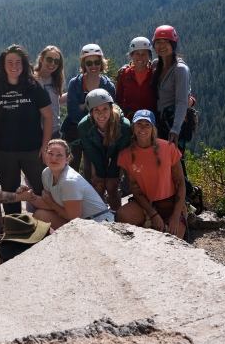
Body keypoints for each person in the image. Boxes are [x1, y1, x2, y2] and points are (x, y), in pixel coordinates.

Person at [0, 44, 53, 214]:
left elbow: (48, 116)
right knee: (9, 191)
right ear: (2, 64)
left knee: (43, 188)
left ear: (25, 64)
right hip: (3, 150)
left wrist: (45, 145)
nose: (14, 66)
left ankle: (52, 222)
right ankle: (15, 225)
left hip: (33, 149)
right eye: (10, 62)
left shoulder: (34, 86)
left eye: (18, 62)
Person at [115, 110, 187, 239]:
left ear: (153, 128)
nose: (143, 128)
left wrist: (175, 217)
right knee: (122, 216)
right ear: (133, 127)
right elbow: (135, 189)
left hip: (170, 203)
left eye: (147, 125)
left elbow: (180, 183)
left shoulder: (169, 148)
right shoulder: (125, 156)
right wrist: (153, 214)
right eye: (139, 124)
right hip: (146, 203)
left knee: (173, 237)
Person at [30, 139, 113, 229]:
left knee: (42, 218)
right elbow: (47, 202)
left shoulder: (69, 180)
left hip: (98, 222)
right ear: (45, 155)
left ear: (67, 159)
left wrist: (51, 203)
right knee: (40, 215)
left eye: (59, 155)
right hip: (80, 221)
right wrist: (28, 196)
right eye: (50, 153)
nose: (54, 158)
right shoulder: (46, 173)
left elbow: (73, 218)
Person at [61, 44, 116, 178]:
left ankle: (90, 198)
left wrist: (84, 107)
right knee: (70, 169)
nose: (93, 66)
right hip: (75, 130)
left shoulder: (108, 85)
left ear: (101, 63)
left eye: (96, 62)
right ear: (83, 64)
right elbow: (72, 110)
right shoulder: (75, 83)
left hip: (97, 132)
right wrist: (97, 113)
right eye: (89, 62)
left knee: (93, 172)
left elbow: (111, 112)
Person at [78, 89, 131, 210]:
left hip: (118, 153)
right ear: (91, 111)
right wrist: (100, 174)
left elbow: (120, 152)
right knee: (98, 185)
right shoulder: (84, 126)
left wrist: (113, 175)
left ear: (111, 108)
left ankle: (116, 216)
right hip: (97, 151)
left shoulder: (124, 126)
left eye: (105, 109)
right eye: (96, 110)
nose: (101, 115)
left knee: (112, 186)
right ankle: (100, 216)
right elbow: (92, 152)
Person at [151, 26, 191, 147]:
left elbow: (182, 101)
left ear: (173, 44)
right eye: (158, 42)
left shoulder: (180, 69)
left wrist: (175, 129)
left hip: (173, 122)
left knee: (174, 161)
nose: (162, 46)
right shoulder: (156, 64)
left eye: (166, 42)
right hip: (159, 121)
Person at [115, 37, 155, 120]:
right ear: (131, 55)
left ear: (149, 56)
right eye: (137, 53)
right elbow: (119, 99)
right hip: (128, 118)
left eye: (144, 53)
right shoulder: (124, 74)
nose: (140, 57)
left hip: (150, 120)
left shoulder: (155, 74)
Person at [34, 46, 66, 139]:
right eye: (49, 59)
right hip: (36, 132)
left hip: (55, 130)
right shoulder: (32, 79)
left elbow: (55, 102)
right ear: (41, 59)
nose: (53, 63)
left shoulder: (56, 79)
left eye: (56, 61)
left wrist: (72, 93)